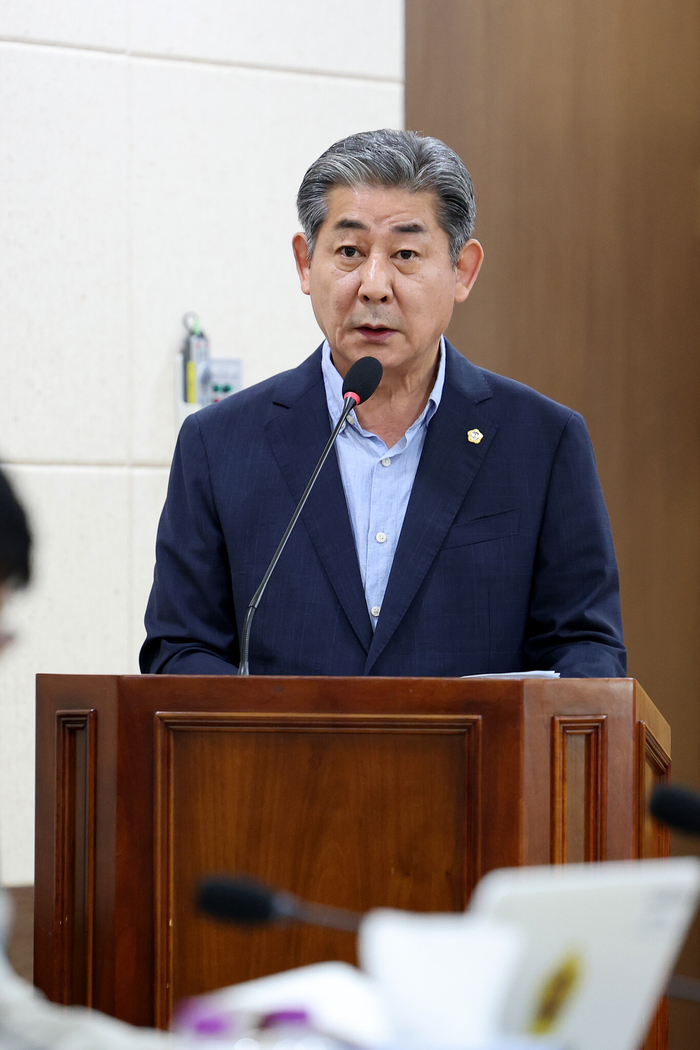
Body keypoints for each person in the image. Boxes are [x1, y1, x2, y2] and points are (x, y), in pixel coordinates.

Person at [141, 129, 626, 679]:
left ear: (462, 270)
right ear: (305, 263)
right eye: (349, 252)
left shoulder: (542, 441)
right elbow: (179, 649)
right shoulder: (218, 445)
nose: (374, 285)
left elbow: (587, 648)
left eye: (405, 255)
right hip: (281, 742)